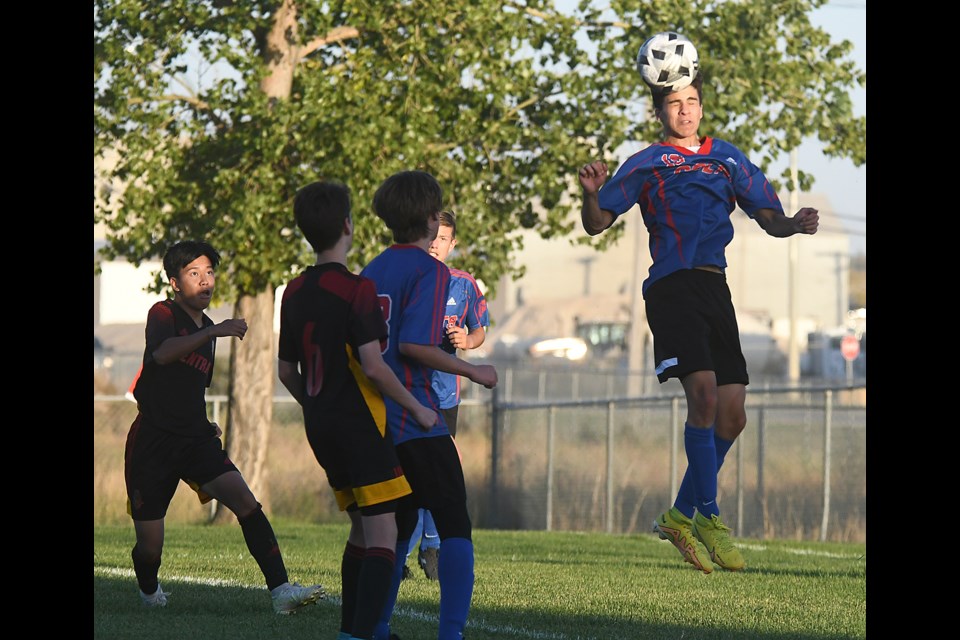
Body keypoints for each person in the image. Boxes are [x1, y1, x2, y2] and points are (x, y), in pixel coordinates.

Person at [577, 69, 819, 574]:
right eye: (673, 103)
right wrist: (591, 192)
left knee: (733, 415)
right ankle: (710, 517)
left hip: (715, 288)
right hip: (671, 287)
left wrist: (793, 223)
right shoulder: (647, 163)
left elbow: (768, 217)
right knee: (704, 396)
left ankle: (678, 515)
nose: (684, 110)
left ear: (702, 107)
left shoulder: (727, 157)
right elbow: (598, 222)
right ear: (660, 111)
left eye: (691, 101)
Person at [123, 240, 324, 612]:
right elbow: (163, 354)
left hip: (195, 441)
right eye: (194, 273)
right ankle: (149, 592)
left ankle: (281, 592)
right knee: (149, 547)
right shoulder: (163, 313)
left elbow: (189, 389)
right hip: (152, 442)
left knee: (247, 503)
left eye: (210, 272)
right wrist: (212, 334)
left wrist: (205, 424)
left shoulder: (210, 329)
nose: (204, 281)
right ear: (174, 283)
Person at [277, 181, 439, 640]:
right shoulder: (357, 289)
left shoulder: (293, 291)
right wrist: (419, 409)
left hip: (320, 426)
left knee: (362, 532)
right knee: (385, 535)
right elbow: (373, 366)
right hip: (359, 426)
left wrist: (317, 406)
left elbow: (287, 372)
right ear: (348, 225)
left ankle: (354, 630)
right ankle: (364, 634)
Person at [359, 171, 498, 640]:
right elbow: (417, 345)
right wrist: (475, 371)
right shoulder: (431, 271)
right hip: (415, 415)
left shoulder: (372, 270)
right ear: (426, 218)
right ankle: (451, 633)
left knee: (396, 527)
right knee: (454, 521)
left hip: (375, 419)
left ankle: (377, 626)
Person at [404, 211, 489, 582]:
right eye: (431, 236)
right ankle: (403, 550)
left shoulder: (463, 284)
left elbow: (479, 330)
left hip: (443, 394)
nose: (436, 243)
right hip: (406, 390)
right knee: (410, 473)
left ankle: (432, 546)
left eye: (443, 238)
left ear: (452, 244)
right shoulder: (408, 278)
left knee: (440, 472)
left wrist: (466, 341)